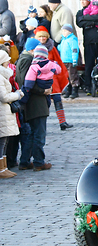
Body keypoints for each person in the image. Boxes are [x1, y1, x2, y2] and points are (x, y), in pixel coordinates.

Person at [15, 40, 52, 172]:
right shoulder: (28, 60)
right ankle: (38, 162)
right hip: (35, 103)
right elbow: (27, 83)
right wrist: (43, 91)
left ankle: (25, 161)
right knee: (38, 134)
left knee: (32, 134)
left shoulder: (26, 59)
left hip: (33, 103)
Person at [34, 26, 72, 130]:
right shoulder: (34, 47)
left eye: (44, 36)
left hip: (52, 78)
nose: (42, 39)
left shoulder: (52, 48)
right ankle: (42, 125)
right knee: (44, 103)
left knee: (57, 99)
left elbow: (58, 61)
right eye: (40, 36)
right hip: (40, 78)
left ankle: (62, 122)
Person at [76, 0, 98, 96]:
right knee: (89, 64)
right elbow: (79, 22)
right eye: (81, 0)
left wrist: (87, 20)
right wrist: (92, 20)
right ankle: (88, 86)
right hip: (88, 41)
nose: (83, 2)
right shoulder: (80, 12)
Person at [0, 49, 24, 178]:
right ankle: (1, 169)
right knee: (2, 140)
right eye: (7, 61)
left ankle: (4, 167)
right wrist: (17, 95)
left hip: (5, 111)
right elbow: (3, 96)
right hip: (2, 111)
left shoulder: (4, 74)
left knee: (5, 140)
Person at [58, 24, 79, 99]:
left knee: (72, 75)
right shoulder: (63, 40)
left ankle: (74, 89)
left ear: (70, 32)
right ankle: (68, 89)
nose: (63, 32)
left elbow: (74, 50)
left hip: (70, 60)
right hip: (64, 60)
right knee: (66, 76)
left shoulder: (72, 39)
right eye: (63, 31)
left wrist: (74, 59)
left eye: (65, 31)